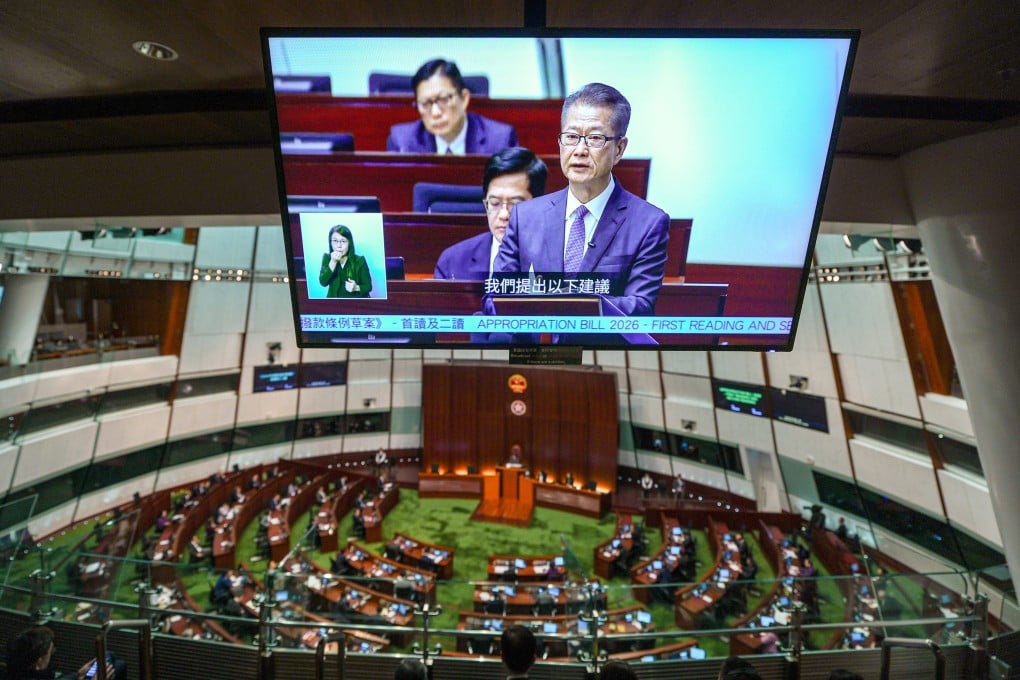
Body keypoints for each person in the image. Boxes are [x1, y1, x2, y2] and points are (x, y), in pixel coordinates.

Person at [491, 82, 670, 335]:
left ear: (619, 149)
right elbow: (496, 296)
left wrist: (563, 305)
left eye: (595, 138)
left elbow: (639, 308)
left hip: (601, 356)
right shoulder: (525, 216)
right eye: (572, 137)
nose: (580, 151)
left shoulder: (648, 223)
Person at [434, 147, 548, 281]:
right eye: (494, 203)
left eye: (516, 204)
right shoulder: (453, 262)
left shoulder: (562, 259)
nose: (503, 215)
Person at [387, 58, 518, 155]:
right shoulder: (402, 141)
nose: (435, 112)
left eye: (444, 99)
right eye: (425, 103)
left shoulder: (500, 140)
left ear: (464, 98)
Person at [5, 626, 125, 680]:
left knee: (112, 659)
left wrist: (77, 675)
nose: (52, 655)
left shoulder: (13, 672)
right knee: (119, 665)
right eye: (50, 652)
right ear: (39, 661)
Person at [318, 224, 372, 298]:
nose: (339, 246)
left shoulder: (360, 260)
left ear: (349, 243)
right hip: (334, 304)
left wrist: (356, 287)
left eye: (343, 241)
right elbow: (323, 282)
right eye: (335, 241)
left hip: (355, 305)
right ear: (330, 242)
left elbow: (368, 286)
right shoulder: (327, 257)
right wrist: (333, 262)